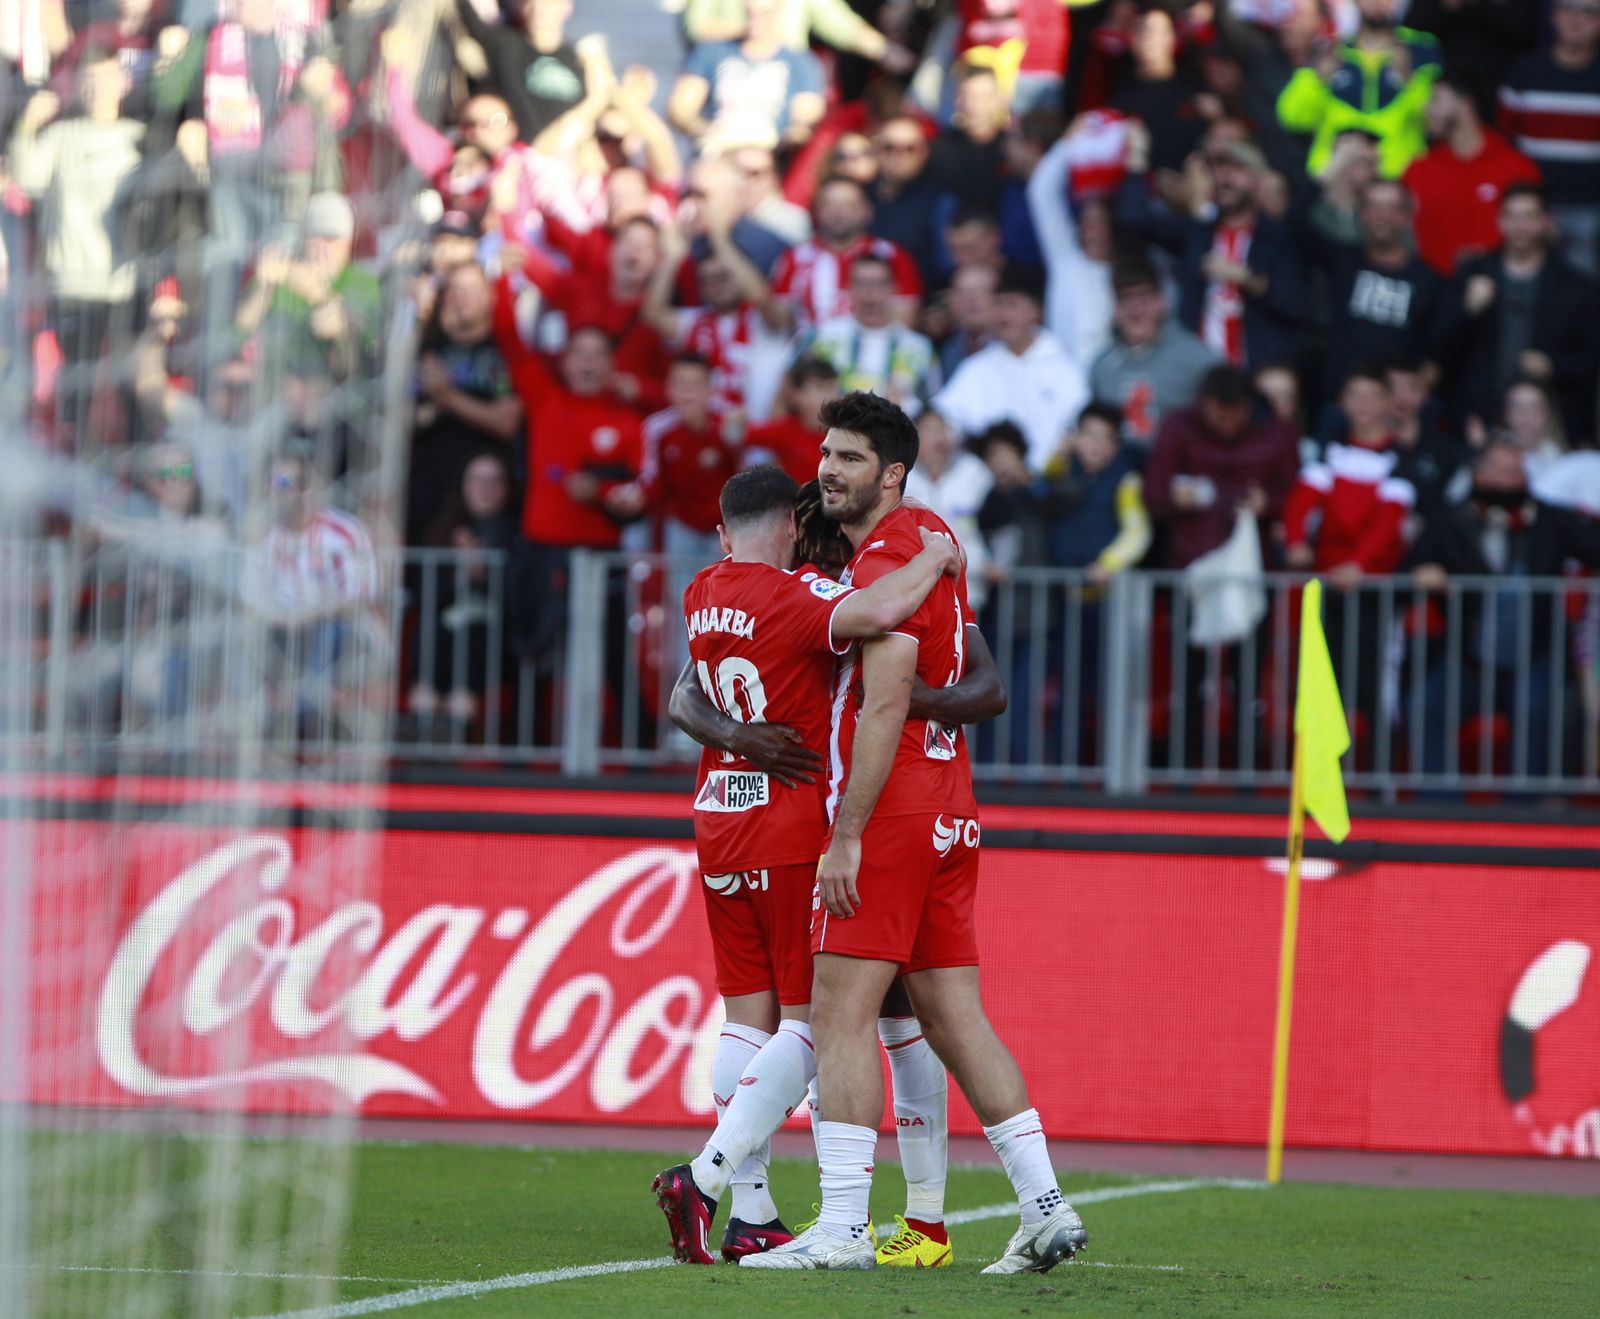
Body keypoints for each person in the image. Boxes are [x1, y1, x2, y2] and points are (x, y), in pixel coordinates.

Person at [744, 392, 1087, 1274]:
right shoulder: (930, 543)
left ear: (892, 473)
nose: (828, 470)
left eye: (850, 458)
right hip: (948, 807)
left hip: (892, 812)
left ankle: (846, 1227)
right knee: (953, 1015)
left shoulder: (892, 558)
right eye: (826, 454)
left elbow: (888, 691)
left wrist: (847, 834)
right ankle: (1046, 1205)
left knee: (839, 1010)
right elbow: (968, 676)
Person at [648, 464, 982, 1267]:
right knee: (817, 1020)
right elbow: (877, 610)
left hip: (718, 820)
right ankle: (707, 1176)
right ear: (795, 530)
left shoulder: (700, 593)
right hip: (795, 825)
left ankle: (754, 1212)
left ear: (723, 532)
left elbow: (686, 694)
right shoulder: (805, 599)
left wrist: (729, 735)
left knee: (744, 1020)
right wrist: (934, 558)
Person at [1408, 439, 1600, 779]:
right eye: (1502, 471)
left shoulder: (1550, 519)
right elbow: (1407, 570)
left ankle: (1521, 815)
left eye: (1517, 472)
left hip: (1534, 655)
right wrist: (1421, 573)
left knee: (1538, 711)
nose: (1512, 481)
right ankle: (1439, 808)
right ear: (1479, 476)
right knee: (1425, 708)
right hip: (1468, 656)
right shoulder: (1451, 520)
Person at [9, 49, 145, 444]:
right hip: (72, 286)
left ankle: (137, 479)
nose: (95, 89)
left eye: (104, 78)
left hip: (125, 284)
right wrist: (28, 122)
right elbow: (28, 177)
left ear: (123, 82)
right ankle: (77, 477)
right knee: (78, 389)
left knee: (129, 384)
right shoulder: (59, 136)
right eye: (87, 80)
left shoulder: (141, 137)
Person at [1119, 128, 1306, 372]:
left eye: (1236, 169)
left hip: (1255, 378)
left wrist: (1249, 279)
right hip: (1196, 378)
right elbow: (1135, 219)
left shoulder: (1280, 236)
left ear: (1258, 179)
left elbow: (1297, 305)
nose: (1224, 178)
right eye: (1216, 170)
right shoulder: (1197, 232)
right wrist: (1137, 163)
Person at [1436, 184, 1600, 446]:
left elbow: (1591, 359)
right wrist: (1465, 310)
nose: (1520, 226)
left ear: (1546, 222)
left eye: (1529, 216)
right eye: (1512, 216)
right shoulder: (1474, 272)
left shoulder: (1576, 287)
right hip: (1478, 424)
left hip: (1550, 431)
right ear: (1499, 221)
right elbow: (1439, 350)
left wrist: (1554, 366)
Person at [406, 261, 522, 547]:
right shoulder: (426, 351)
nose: (464, 296)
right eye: (457, 289)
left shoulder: (507, 352)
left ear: (490, 296)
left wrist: (448, 398)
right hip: (427, 490)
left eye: (472, 289)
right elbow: (400, 419)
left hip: (483, 501)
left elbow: (507, 422)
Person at [1296, 175, 1445, 397]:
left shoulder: (1429, 280)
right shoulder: (1344, 261)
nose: (1380, 216)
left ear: (1406, 216)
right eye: (1373, 206)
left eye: (1390, 208)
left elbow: (1436, 355)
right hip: (1338, 402)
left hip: (1393, 410)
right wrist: (1334, 171)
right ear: (1362, 213)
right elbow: (1295, 219)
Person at [933, 265, 1088, 473]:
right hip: (988, 487)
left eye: (1012, 305)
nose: (1004, 315)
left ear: (1035, 312)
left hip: (1051, 486)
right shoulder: (977, 367)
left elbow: (1077, 428)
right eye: (999, 304)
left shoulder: (1065, 368)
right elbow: (947, 420)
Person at [1275, 0, 1441, 178]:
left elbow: (1435, 121)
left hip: (1399, 178)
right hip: (1335, 177)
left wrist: (1409, 81)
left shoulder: (1421, 49)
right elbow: (1292, 117)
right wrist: (1317, 80)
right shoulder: (1332, 50)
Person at [1405, 69, 1542, 276]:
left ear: (1465, 105)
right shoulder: (1418, 169)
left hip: (1499, 292)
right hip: (1432, 295)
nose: (1427, 108)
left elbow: (1539, 234)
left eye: (1436, 100)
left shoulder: (1516, 167)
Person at [1498, 0, 1600, 276]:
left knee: (1584, 297)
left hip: (1590, 210)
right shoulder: (1525, 72)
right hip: (1531, 210)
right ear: (1554, 16)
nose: (1577, 19)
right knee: (1526, 287)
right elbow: (1507, 141)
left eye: (1589, 12)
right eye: (1569, 9)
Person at [1089, 257, 1217, 451]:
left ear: (1162, 302)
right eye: (1124, 300)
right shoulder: (1101, 366)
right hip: (1119, 474)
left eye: (1143, 299)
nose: (1135, 310)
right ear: (1114, 308)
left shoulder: (1199, 360)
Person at [771, 174, 925, 330]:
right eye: (829, 204)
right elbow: (777, 322)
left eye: (849, 205)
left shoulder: (893, 257)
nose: (838, 212)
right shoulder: (795, 258)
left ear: (867, 211)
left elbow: (904, 326)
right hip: (810, 352)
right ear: (816, 211)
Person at [799, 253, 941, 417]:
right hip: (827, 437)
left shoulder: (918, 348)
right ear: (848, 288)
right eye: (861, 284)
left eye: (878, 284)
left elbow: (933, 407)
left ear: (894, 287)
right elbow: (788, 391)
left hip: (893, 439)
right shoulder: (821, 337)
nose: (869, 293)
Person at [669, 0, 826, 146]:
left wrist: (788, 139)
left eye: (765, 14)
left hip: (772, 152)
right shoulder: (712, 52)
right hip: (720, 149)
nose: (755, 22)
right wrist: (707, 132)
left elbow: (805, 119)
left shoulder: (800, 62)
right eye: (750, 13)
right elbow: (680, 109)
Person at [454, 0, 590, 143]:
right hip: (515, 153)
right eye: (529, 3)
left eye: (547, 3)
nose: (538, 10)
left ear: (566, 7)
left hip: (563, 154)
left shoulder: (579, 60)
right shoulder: (507, 45)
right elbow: (472, 21)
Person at [744, 359, 842, 482]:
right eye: (820, 388)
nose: (830, 396)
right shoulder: (785, 430)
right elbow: (738, 435)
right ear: (796, 395)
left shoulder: (844, 436)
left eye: (833, 388)